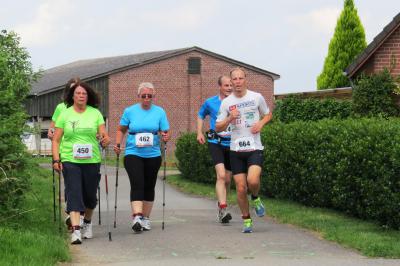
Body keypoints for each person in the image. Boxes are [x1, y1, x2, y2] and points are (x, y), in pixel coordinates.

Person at [52, 79, 110, 244]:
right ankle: (76, 231)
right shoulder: (65, 114)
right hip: (70, 159)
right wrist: (56, 159)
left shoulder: (95, 113)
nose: (81, 96)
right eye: (78, 93)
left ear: (88, 96)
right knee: (74, 193)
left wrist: (105, 140)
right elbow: (56, 140)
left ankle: (87, 223)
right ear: (72, 96)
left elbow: (103, 135)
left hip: (92, 160)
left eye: (84, 93)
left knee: (90, 196)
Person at [216, 68, 272, 233]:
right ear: (231, 82)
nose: (238, 82)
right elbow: (218, 128)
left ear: (245, 79)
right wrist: (229, 118)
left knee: (253, 181)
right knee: (241, 188)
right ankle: (247, 220)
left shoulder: (256, 97)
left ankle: (255, 198)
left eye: (241, 78)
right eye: (235, 79)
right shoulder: (226, 102)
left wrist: (261, 123)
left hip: (254, 147)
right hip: (236, 150)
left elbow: (268, 114)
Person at [114, 82, 170, 233]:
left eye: (149, 96)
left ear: (153, 97)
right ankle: (137, 216)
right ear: (139, 96)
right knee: (137, 182)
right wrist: (118, 143)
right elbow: (121, 130)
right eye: (143, 96)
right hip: (133, 153)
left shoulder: (159, 112)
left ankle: (145, 218)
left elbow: (166, 131)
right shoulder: (130, 111)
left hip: (153, 154)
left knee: (149, 185)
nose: (146, 98)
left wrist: (166, 136)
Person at [48, 77, 84, 230]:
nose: (74, 92)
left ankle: (78, 214)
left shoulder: (85, 108)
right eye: (71, 89)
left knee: (83, 185)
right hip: (65, 151)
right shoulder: (60, 108)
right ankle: (72, 213)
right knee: (71, 184)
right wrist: (51, 133)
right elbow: (52, 128)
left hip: (84, 154)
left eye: (77, 88)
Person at [197, 76, 233, 224]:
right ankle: (223, 208)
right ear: (220, 87)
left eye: (231, 85)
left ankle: (221, 204)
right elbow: (200, 115)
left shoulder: (238, 102)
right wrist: (199, 132)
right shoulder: (210, 102)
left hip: (232, 143)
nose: (229, 88)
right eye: (226, 85)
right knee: (221, 175)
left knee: (228, 179)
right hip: (215, 142)